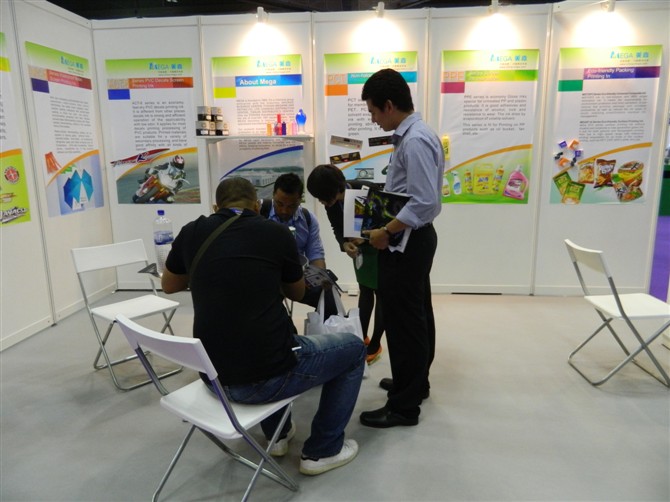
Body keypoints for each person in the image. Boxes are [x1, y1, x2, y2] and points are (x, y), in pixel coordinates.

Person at [161, 177, 366, 475]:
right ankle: (323, 451)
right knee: (354, 349)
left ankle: (278, 435)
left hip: (213, 377)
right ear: (257, 206)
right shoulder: (275, 233)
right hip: (264, 379)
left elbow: (169, 285)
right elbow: (297, 291)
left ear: (216, 207)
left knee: (269, 334)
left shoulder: (191, 231)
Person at [358, 68, 444, 428]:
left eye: (374, 111)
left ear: (389, 105)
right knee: (416, 315)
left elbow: (424, 201)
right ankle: (414, 383)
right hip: (411, 239)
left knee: (404, 322)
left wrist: (385, 231)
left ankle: (404, 407)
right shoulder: (414, 136)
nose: (373, 119)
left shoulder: (415, 141)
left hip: (407, 241)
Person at [306, 164, 385, 365]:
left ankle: (375, 344)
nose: (322, 202)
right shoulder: (331, 202)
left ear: (337, 189)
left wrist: (365, 239)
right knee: (365, 290)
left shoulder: (366, 191)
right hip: (361, 253)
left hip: (380, 250)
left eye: (323, 198)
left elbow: (385, 225)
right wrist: (344, 243)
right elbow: (337, 227)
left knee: (382, 294)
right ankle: (361, 336)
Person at [260, 172, 337, 318]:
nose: (284, 210)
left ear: (300, 200)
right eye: (279, 204)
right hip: (265, 279)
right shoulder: (259, 213)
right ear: (273, 195)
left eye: (291, 206)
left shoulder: (308, 219)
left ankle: (328, 330)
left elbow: (315, 254)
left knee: (328, 296)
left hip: (295, 278)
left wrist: (319, 278)